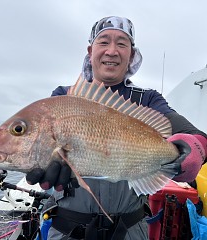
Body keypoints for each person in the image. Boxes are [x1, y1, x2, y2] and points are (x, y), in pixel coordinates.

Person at [26, 16, 207, 240]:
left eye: (122, 43)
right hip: (67, 230)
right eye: (104, 42)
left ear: (131, 54)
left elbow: (192, 134)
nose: (112, 51)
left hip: (130, 230)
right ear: (90, 50)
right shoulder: (65, 96)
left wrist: (196, 146)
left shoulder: (148, 100)